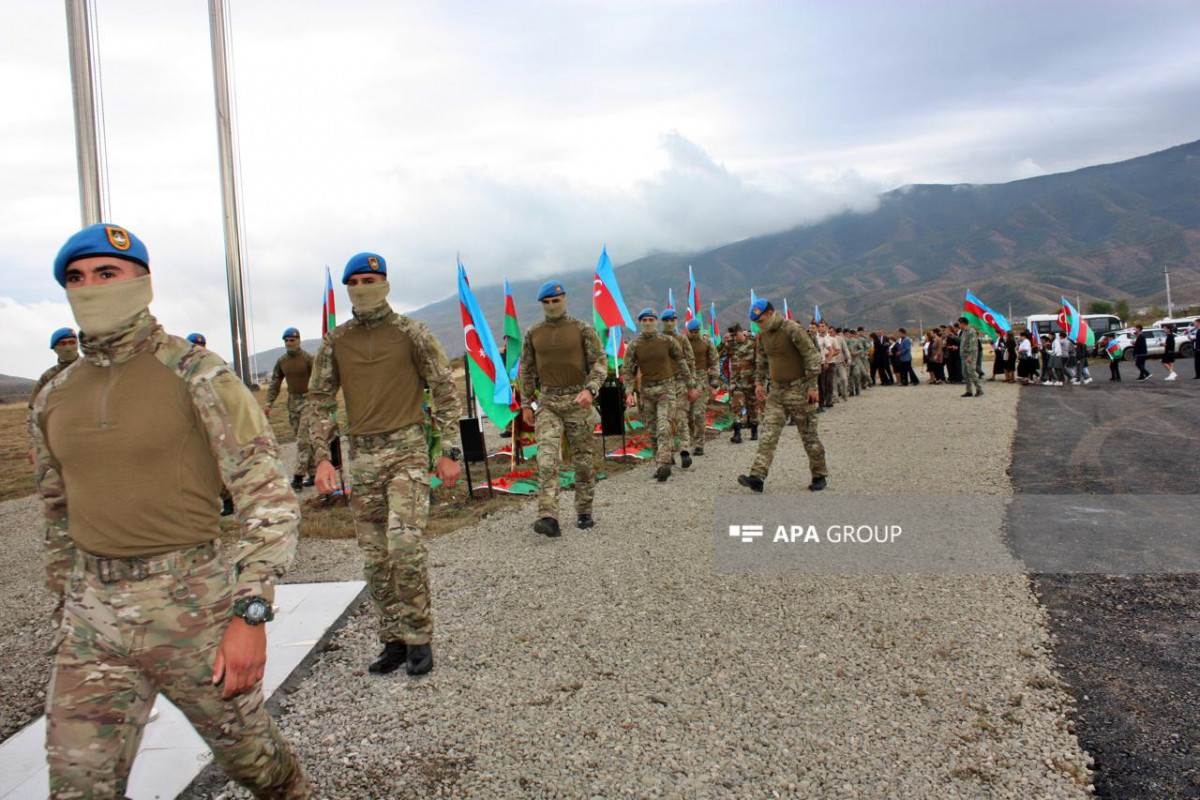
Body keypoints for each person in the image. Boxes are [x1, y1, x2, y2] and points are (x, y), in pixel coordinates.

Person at [32, 223, 311, 798]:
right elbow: (57, 510)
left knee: (257, 766)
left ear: (143, 282)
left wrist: (250, 613)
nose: (91, 287)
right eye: (76, 279)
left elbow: (267, 496)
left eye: (107, 273)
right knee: (77, 784)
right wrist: (67, 602)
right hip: (92, 622)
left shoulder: (197, 373)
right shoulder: (53, 396)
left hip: (193, 610)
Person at [305, 252, 462, 676]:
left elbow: (445, 392)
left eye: (370, 279)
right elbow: (319, 401)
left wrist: (448, 451)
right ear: (347, 289)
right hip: (363, 456)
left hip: (408, 449)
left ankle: (419, 637)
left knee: (404, 545)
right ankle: (392, 639)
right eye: (354, 281)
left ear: (386, 283)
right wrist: (322, 458)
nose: (362, 287)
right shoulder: (336, 341)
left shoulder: (412, 333)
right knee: (375, 557)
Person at [518, 280, 607, 538]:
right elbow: (527, 370)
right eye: (546, 303)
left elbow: (600, 363)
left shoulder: (582, 329)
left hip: (578, 401)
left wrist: (590, 390)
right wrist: (526, 403)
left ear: (564, 299)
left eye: (555, 301)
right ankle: (549, 517)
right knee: (545, 459)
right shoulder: (533, 333)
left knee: (583, 462)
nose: (551, 306)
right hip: (547, 403)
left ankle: (584, 511)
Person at [737, 299, 827, 492]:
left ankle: (819, 474)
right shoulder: (763, 335)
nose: (758, 325)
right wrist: (759, 384)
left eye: (760, 321)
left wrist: (812, 386)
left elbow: (812, 357)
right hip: (777, 392)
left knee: (809, 436)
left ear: (770, 313)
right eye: (756, 323)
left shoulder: (792, 329)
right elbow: (761, 360)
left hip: (800, 390)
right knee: (768, 434)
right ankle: (757, 477)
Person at [624, 308, 693, 481]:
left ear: (656, 321)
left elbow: (682, 361)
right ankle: (659, 463)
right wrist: (628, 392)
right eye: (644, 320)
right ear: (640, 323)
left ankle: (664, 464)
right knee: (653, 430)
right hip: (646, 391)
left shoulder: (667, 341)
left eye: (650, 319)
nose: (647, 323)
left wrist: (690, 385)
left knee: (664, 425)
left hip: (666, 388)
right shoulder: (634, 345)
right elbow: (627, 370)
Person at [264, 327, 318, 489]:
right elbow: (275, 383)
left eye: (292, 340)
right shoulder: (282, 362)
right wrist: (268, 404)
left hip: (308, 402)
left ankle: (298, 477)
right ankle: (313, 473)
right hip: (292, 403)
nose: (289, 343)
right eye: (287, 341)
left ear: (299, 340)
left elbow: (317, 380)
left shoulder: (308, 359)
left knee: (303, 440)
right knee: (302, 440)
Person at [27, 328, 79, 456]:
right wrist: (34, 444)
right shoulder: (48, 377)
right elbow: (34, 411)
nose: (68, 347)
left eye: (72, 342)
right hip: (60, 439)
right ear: (54, 348)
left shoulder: (94, 370)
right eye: (62, 343)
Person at [660, 308, 699, 467]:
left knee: (681, 417)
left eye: (672, 320)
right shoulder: (659, 340)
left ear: (676, 322)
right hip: (663, 383)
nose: (670, 323)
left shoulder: (683, 340)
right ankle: (668, 454)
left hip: (680, 383)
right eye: (667, 320)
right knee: (665, 420)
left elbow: (691, 363)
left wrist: (692, 386)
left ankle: (684, 451)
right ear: (662, 322)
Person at [684, 319, 720, 455]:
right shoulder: (682, 342)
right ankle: (691, 439)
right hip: (685, 381)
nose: (694, 334)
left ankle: (699, 444)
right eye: (692, 332)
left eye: (696, 332)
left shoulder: (706, 342)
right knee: (687, 415)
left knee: (698, 413)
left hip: (702, 380)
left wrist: (714, 383)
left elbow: (715, 362)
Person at [720, 323, 759, 442]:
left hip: (750, 381)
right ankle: (737, 434)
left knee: (752, 407)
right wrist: (724, 342)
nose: (735, 338)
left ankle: (754, 430)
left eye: (736, 335)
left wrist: (758, 380)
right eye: (733, 335)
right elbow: (718, 354)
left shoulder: (753, 343)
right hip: (736, 382)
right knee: (736, 406)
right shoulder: (731, 344)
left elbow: (759, 362)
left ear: (741, 332)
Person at [957, 318, 983, 397]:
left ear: (963, 323)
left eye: (960, 323)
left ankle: (979, 389)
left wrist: (970, 356)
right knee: (965, 373)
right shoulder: (964, 332)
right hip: (964, 355)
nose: (959, 325)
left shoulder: (971, 332)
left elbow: (973, 345)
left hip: (970, 355)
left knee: (971, 372)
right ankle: (969, 391)